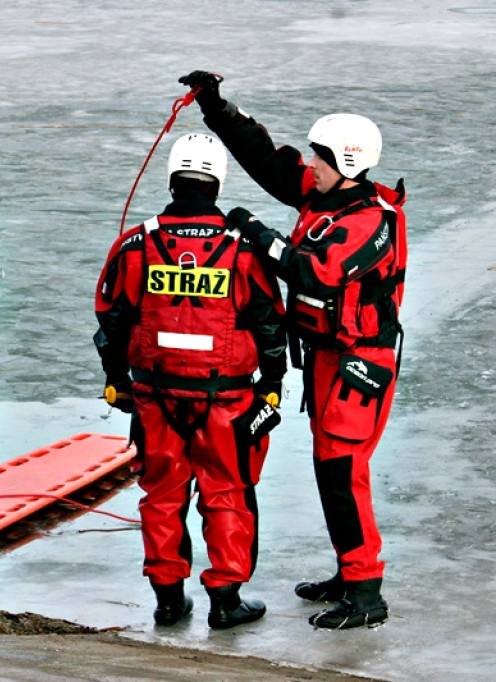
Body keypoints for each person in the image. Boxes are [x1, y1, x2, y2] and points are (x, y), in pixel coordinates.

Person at [179, 70, 407, 629]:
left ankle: (366, 591)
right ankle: (350, 574)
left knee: (341, 470)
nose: (313, 167)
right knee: (332, 469)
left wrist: (255, 230)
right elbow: (268, 161)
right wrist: (216, 108)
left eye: (322, 160)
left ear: (348, 164)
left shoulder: (374, 220)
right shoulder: (325, 196)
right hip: (330, 357)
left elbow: (316, 272)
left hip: (360, 361)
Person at [95, 132, 287, 629]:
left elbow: (111, 321)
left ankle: (167, 600)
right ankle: (225, 600)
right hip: (226, 399)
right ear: (217, 183)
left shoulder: (138, 242)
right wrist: (273, 383)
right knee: (226, 492)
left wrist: (116, 381)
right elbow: (269, 322)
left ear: (173, 179)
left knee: (161, 495)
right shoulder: (242, 248)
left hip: (155, 397)